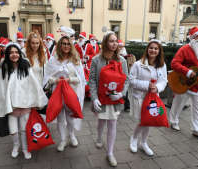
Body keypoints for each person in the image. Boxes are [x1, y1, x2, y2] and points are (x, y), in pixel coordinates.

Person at [0, 43, 48, 159]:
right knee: (13, 131)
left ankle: (25, 149)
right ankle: (16, 146)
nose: (14, 54)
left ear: (20, 54)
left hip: (25, 105)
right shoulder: (4, 68)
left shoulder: (26, 67)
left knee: (23, 130)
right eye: (11, 52)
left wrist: (37, 101)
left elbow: (33, 85)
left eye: (16, 52)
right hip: (12, 107)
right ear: (7, 54)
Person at [89, 31, 129, 167]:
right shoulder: (96, 60)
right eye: (111, 41)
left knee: (112, 123)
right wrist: (94, 98)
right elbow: (92, 80)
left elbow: (127, 80)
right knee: (101, 121)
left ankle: (110, 153)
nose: (114, 43)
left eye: (116, 41)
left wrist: (121, 94)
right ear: (105, 42)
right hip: (100, 99)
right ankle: (99, 137)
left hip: (115, 99)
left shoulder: (122, 60)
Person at [43, 35, 85, 152]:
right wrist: (55, 80)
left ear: (71, 46)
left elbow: (80, 79)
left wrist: (69, 80)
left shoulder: (75, 60)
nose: (66, 46)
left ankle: (71, 135)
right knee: (60, 118)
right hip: (58, 93)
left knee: (71, 117)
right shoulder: (53, 60)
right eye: (63, 43)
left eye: (68, 44)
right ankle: (62, 140)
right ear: (60, 45)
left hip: (72, 93)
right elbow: (47, 78)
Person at [129, 39, 167, 156]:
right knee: (142, 121)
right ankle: (134, 139)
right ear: (147, 49)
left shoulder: (162, 65)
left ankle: (144, 142)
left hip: (153, 98)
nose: (153, 50)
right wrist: (147, 85)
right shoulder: (137, 64)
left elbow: (164, 80)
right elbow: (131, 80)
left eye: (156, 49)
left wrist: (158, 88)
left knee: (149, 121)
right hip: (140, 97)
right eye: (151, 48)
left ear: (159, 51)